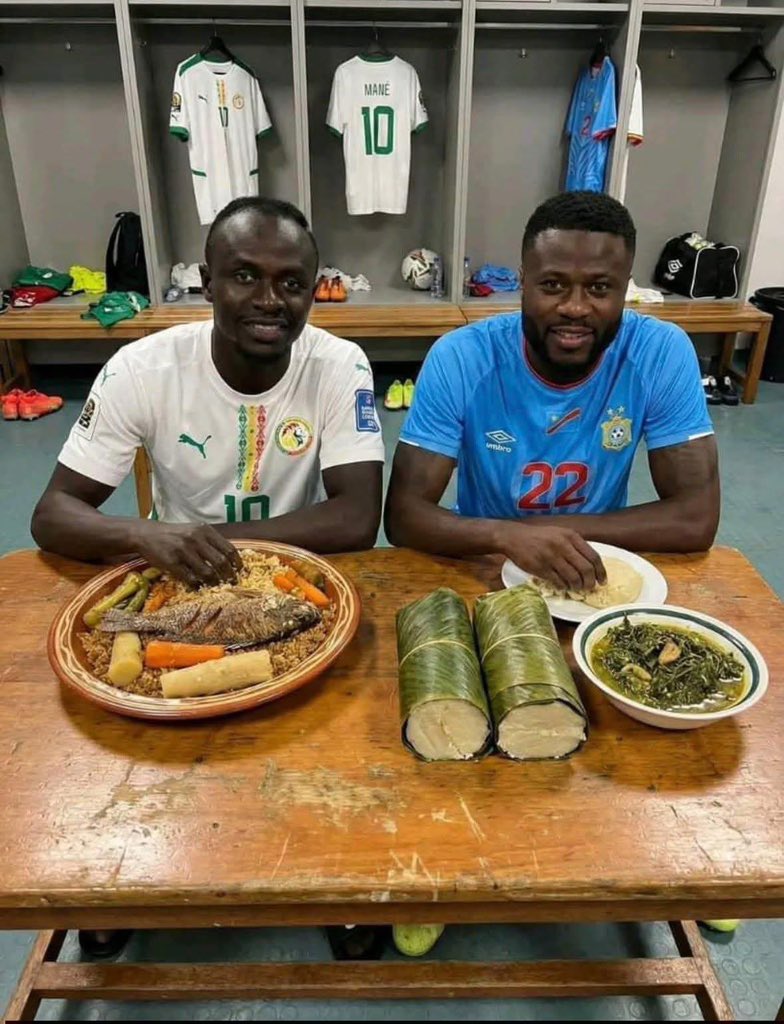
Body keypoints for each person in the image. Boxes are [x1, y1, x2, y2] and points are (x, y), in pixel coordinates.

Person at [31, 195, 385, 959]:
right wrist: (144, 533)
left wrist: (222, 545)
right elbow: (53, 513)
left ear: (313, 288)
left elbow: (358, 518)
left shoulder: (339, 365)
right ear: (206, 280)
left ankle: (336, 875)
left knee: (333, 719)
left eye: (291, 283)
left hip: (294, 584)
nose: (269, 300)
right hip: (175, 582)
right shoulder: (143, 368)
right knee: (141, 721)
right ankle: (125, 872)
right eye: (244, 276)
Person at [383, 190, 720, 956]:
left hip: (602, 583)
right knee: (454, 727)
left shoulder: (660, 351)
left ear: (626, 287)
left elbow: (695, 517)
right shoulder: (463, 356)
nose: (575, 307)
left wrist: (546, 537)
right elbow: (405, 516)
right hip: (485, 581)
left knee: (651, 725)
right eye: (553, 285)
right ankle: (438, 870)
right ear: (521, 282)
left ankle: (697, 864)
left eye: (600, 288)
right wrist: (505, 536)